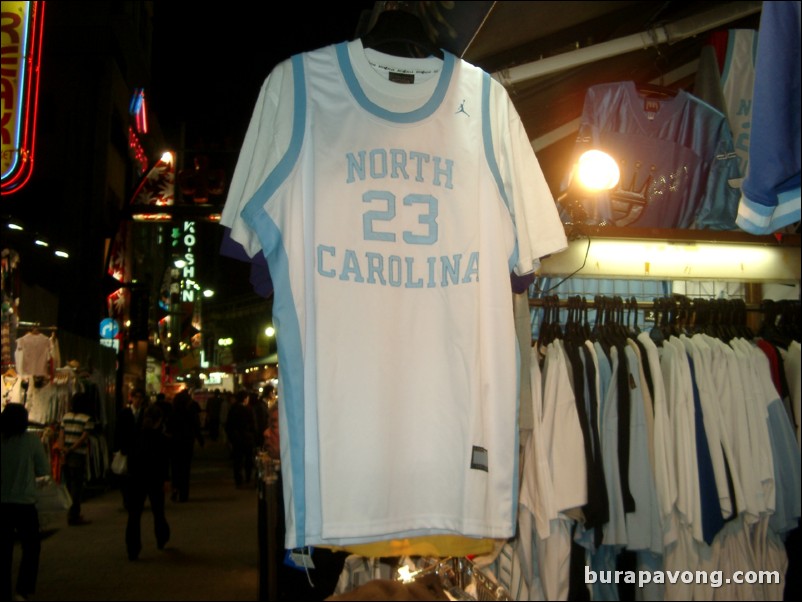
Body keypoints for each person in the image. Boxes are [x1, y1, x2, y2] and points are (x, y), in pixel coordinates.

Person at [2, 403, 51, 602]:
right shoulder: (31, 441)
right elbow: (43, 470)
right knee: (31, 548)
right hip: (25, 503)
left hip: (2, 504)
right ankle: (22, 590)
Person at [125, 404, 171, 561]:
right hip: (155, 479)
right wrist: (166, 479)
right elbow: (164, 462)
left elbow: (128, 457)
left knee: (134, 515)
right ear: (159, 421)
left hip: (135, 479)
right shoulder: (162, 439)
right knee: (158, 511)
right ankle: (161, 538)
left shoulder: (135, 436)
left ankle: (133, 549)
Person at [58, 391, 95, 526]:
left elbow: (61, 435)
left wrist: (63, 450)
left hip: (66, 455)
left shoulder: (66, 417)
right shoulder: (87, 419)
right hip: (77, 455)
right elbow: (83, 438)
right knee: (77, 486)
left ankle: (71, 513)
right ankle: (74, 515)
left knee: (68, 484)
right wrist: (72, 449)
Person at [166, 390, 203, 502]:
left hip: (174, 443)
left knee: (175, 468)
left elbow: (168, 429)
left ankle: (175, 488)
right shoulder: (190, 413)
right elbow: (196, 427)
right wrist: (200, 440)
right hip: (187, 443)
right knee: (185, 469)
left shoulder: (172, 413)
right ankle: (184, 494)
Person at [113, 387, 147, 511]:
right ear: (131, 398)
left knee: (138, 477)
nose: (137, 400)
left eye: (140, 398)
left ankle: (136, 500)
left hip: (140, 451)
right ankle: (127, 500)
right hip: (126, 450)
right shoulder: (124, 413)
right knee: (126, 478)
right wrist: (117, 448)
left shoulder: (145, 414)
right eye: (135, 397)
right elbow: (118, 431)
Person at [225, 390, 256, 488]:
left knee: (237, 460)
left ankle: (238, 480)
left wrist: (231, 437)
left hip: (236, 439)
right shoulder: (248, 410)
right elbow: (253, 425)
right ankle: (247, 477)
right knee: (248, 459)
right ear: (245, 398)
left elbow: (228, 425)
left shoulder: (233, 409)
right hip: (247, 438)